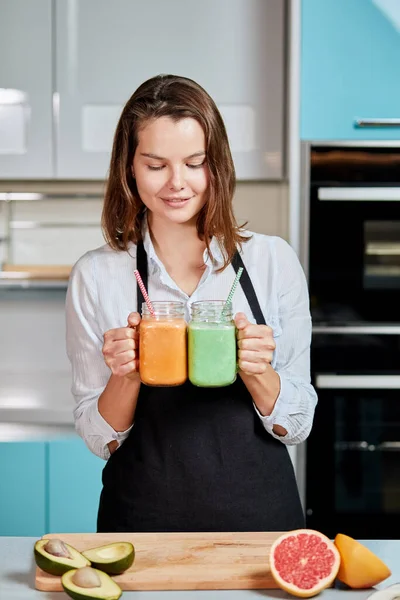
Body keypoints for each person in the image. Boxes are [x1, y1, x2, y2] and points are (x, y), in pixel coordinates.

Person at [66, 74, 318, 533]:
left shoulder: (270, 261)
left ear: (216, 166)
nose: (177, 183)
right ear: (129, 168)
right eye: (155, 164)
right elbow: (100, 439)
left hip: (260, 530)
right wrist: (126, 375)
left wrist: (258, 371)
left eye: (195, 163)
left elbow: (297, 426)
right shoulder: (97, 275)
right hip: (141, 528)